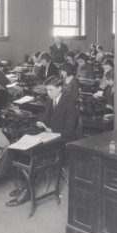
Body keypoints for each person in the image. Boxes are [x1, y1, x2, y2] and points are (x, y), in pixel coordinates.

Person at [7, 75, 80, 207]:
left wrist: (50, 129)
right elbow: (47, 120)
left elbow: (69, 130)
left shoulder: (69, 103)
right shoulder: (50, 101)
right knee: (20, 148)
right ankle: (24, 185)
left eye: (50, 90)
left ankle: (27, 192)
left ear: (59, 88)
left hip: (63, 140)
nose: (48, 93)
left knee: (33, 154)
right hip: (50, 135)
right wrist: (41, 123)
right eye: (46, 90)